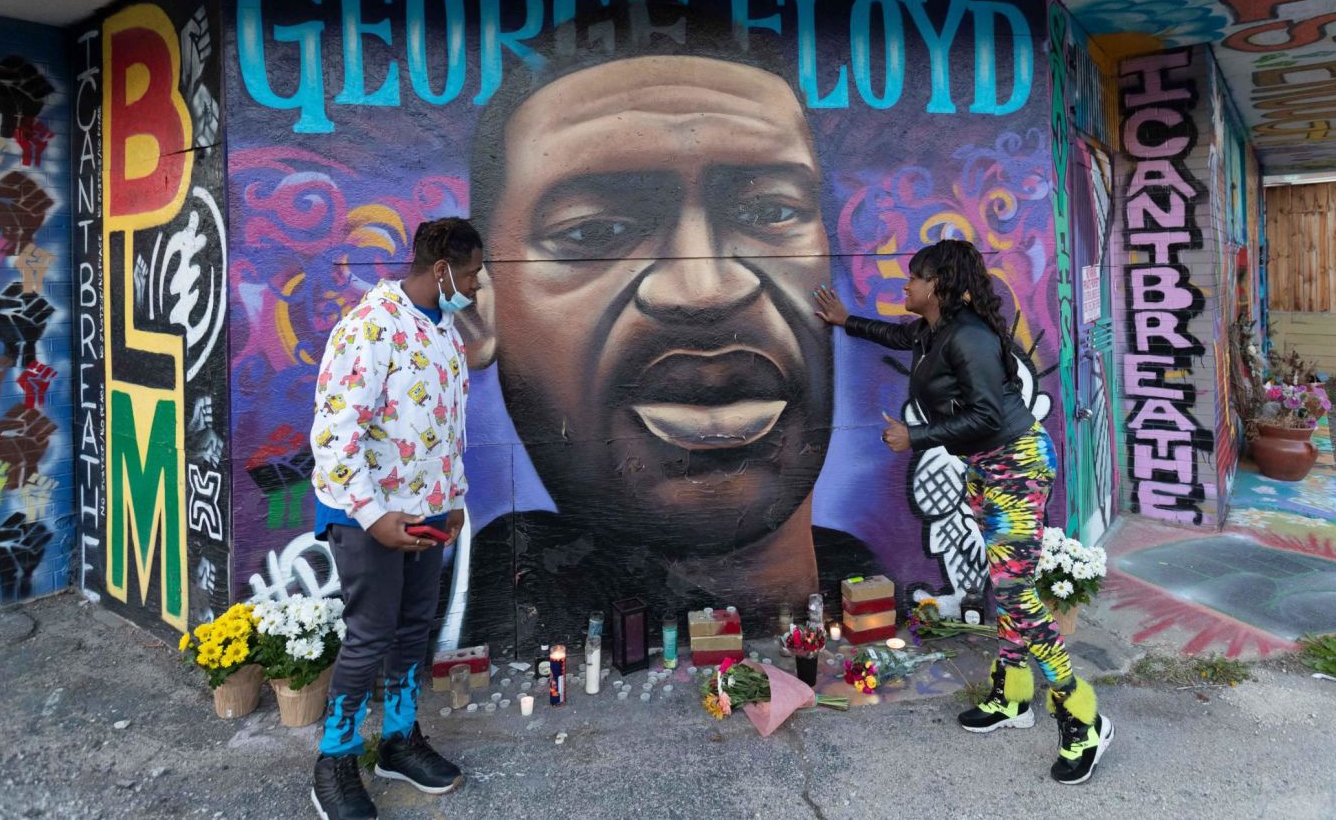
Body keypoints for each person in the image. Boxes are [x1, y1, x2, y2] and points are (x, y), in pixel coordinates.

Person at [462, 41, 878, 648]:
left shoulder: (871, 582)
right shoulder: (468, 609)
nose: (705, 289)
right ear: (479, 312)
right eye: (595, 230)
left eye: (769, 211)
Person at [814, 238, 1114, 785]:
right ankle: (1013, 696)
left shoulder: (969, 337)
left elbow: (985, 414)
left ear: (938, 286)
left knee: (1018, 595)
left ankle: (1082, 717)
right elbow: (897, 334)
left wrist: (918, 436)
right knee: (1007, 587)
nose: (905, 286)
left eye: (914, 278)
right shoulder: (932, 330)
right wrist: (845, 320)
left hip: (1016, 466)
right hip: (988, 468)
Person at [307, 218, 484, 819]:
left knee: (414, 629)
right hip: (367, 518)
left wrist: (453, 497)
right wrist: (371, 515)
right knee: (370, 635)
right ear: (442, 270)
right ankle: (334, 759)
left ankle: (398, 742)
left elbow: (449, 428)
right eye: (471, 275)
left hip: (428, 512)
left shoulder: (445, 334)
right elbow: (334, 436)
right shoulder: (369, 328)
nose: (476, 288)